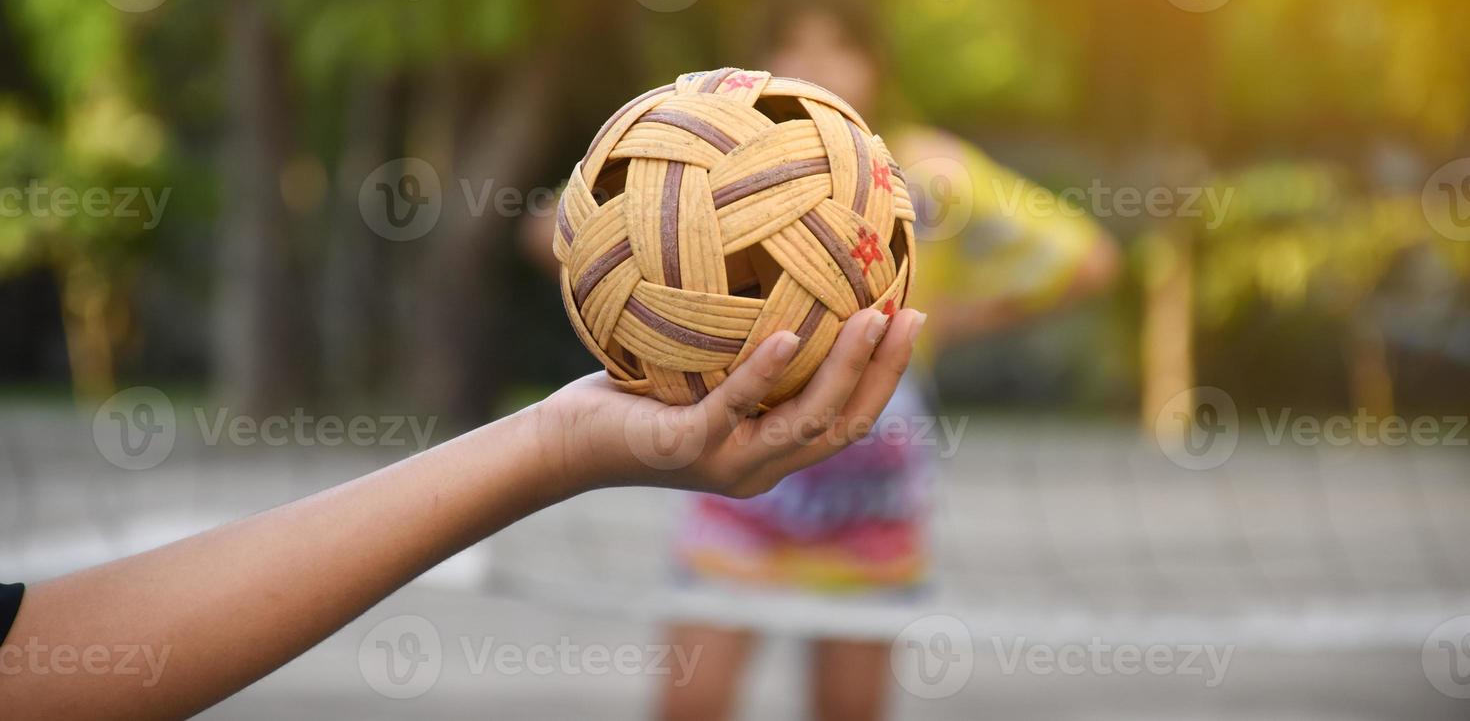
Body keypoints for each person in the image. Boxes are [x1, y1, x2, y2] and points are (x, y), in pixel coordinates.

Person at [0, 306, 926, 720]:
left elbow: (30, 667)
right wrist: (555, 443)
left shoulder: (914, 171)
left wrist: (553, 444)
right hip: (741, 540)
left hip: (865, 525)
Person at [661, 0, 1119, 721]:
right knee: (690, 702)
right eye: (793, 44)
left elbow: (1087, 260)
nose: (815, 63)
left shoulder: (920, 170)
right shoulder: (721, 167)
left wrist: (949, 320)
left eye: (839, 45)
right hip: (745, 473)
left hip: (868, 490)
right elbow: (577, 229)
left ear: (874, 66)